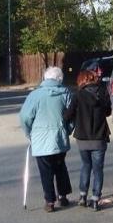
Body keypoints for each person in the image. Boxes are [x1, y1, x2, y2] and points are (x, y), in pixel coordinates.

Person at [19, 67, 73, 213]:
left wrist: (29, 133)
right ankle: (63, 195)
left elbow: (25, 117)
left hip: (40, 139)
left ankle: (49, 201)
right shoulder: (66, 93)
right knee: (60, 166)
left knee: (46, 171)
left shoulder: (35, 95)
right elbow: (72, 114)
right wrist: (67, 130)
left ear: (45, 78)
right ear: (59, 79)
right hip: (59, 137)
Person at [64, 70, 111, 211]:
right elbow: (108, 111)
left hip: (83, 137)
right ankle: (96, 198)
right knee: (98, 169)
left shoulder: (78, 95)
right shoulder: (103, 91)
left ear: (82, 80)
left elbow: (68, 115)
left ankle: (83, 195)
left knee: (86, 165)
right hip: (99, 137)